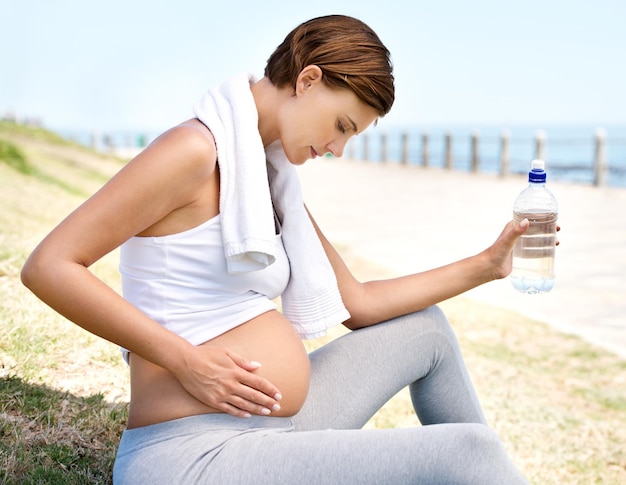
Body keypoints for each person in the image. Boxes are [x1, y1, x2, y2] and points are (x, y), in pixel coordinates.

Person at [21, 14, 535, 484]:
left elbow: (357, 304)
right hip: (190, 456)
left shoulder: (265, 178)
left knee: (427, 332)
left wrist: (487, 265)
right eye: (342, 126)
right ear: (308, 80)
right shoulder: (195, 153)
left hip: (268, 431)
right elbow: (50, 266)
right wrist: (185, 360)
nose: (337, 149)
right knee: (469, 451)